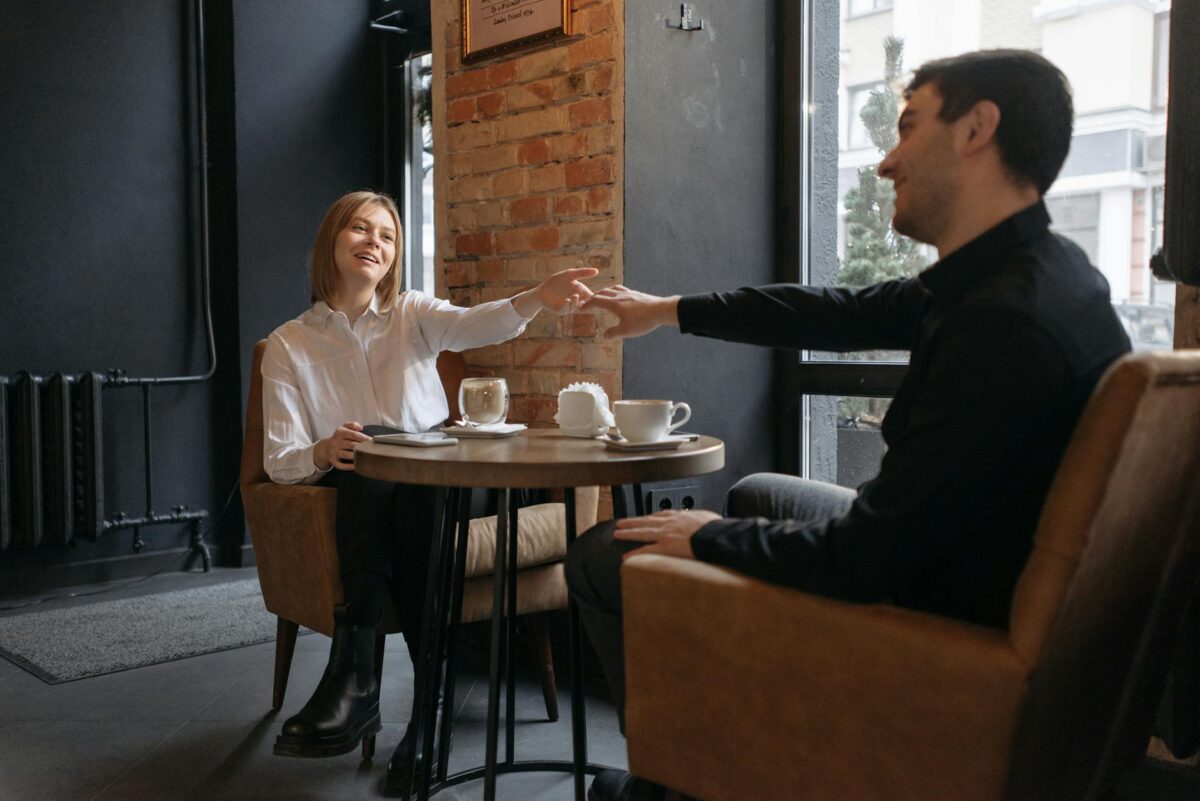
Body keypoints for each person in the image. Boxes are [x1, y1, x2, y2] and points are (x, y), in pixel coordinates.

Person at [565, 49, 1132, 801]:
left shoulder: (1003, 325)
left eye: (907, 127)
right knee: (764, 490)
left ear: (976, 129)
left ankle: (682, 773)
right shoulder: (1036, 273)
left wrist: (705, 536)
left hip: (936, 614)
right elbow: (835, 311)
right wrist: (666, 310)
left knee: (610, 552)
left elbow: (867, 557)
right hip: (968, 555)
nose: (886, 163)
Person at [261, 190, 595, 791]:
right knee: (374, 456)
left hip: (450, 484)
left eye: (387, 236)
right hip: (360, 490)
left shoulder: (413, 312)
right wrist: (321, 451)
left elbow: (473, 325)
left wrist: (537, 299)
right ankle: (429, 714)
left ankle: (356, 678)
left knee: (398, 464)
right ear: (330, 243)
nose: (375, 243)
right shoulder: (289, 345)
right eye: (360, 230)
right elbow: (280, 460)